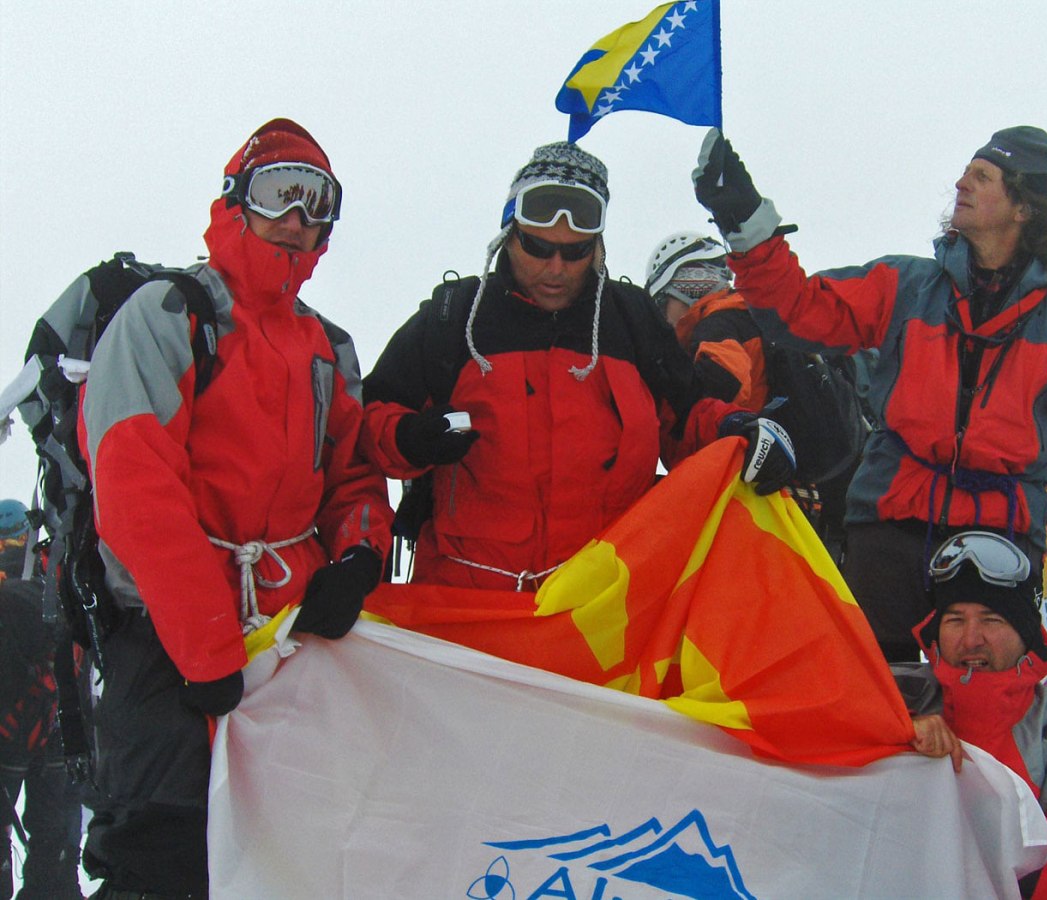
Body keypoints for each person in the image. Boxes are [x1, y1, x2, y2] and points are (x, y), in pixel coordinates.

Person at [77, 120, 393, 898]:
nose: (296, 215)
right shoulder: (167, 315)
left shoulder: (327, 348)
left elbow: (352, 479)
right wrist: (209, 650)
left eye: (315, 200)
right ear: (235, 201)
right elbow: (135, 490)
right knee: (163, 858)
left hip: (287, 653)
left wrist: (357, 560)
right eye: (277, 191)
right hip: (169, 649)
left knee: (291, 857)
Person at [691, 126, 1047, 662]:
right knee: (876, 694)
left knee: (981, 704)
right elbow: (797, 310)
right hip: (889, 526)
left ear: (1023, 208)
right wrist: (743, 219)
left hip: (1000, 537)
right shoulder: (906, 286)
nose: (960, 183)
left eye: (982, 176)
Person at [361, 142, 793, 592]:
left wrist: (740, 429)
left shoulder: (632, 319)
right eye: (538, 246)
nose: (556, 268)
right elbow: (371, 421)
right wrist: (412, 439)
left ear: (597, 247)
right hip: (468, 606)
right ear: (509, 233)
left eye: (575, 252)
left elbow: (687, 419)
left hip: (603, 608)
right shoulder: (454, 317)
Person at [895, 531, 1047, 898]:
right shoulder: (893, 694)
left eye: (991, 619)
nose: (971, 638)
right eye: (955, 619)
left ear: (1025, 633)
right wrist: (890, 731)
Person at [643, 230, 866, 562]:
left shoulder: (718, 323)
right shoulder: (770, 320)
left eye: (663, 305)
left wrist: (663, 391)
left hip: (776, 499)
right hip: (839, 494)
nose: (664, 320)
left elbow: (721, 384)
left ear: (681, 291)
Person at [0, 500, 85, 900]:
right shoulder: (61, 578)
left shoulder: (10, 595)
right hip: (64, 731)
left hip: (10, 734)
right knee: (56, 837)